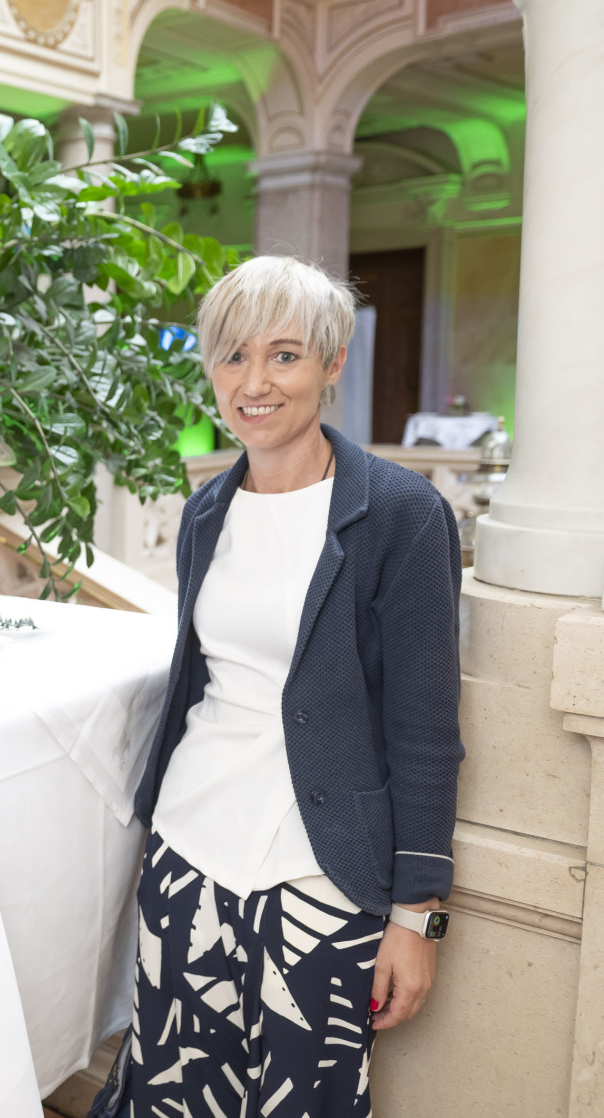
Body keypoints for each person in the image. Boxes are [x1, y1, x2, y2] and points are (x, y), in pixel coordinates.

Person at [98, 255, 462, 1118]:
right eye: (232, 356)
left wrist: (418, 918)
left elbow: (425, 732)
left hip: (321, 878)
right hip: (188, 853)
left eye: (284, 355)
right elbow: (203, 682)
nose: (253, 382)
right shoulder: (205, 513)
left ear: (333, 362)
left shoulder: (404, 515)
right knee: (171, 1099)